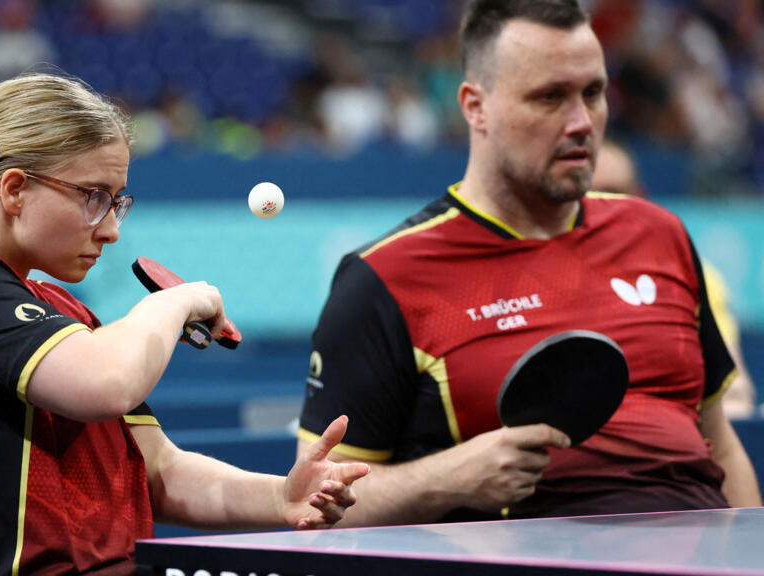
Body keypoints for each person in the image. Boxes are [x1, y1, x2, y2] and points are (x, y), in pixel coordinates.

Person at [0, 72, 370, 575]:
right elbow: (108, 385)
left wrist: (280, 497)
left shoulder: (56, 308)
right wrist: (176, 302)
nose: (111, 230)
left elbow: (157, 471)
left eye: (117, 201)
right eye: (93, 197)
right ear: (14, 190)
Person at [296, 0, 760, 526]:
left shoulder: (661, 233)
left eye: (593, 92)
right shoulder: (383, 279)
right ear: (476, 106)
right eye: (550, 97)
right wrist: (444, 479)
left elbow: (720, 448)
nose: (582, 122)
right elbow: (316, 504)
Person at [592, 139, 759, 419]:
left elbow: (735, 390)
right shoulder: (540, 278)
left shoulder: (691, 272)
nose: (600, 203)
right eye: (588, 192)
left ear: (640, 197)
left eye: (614, 192)